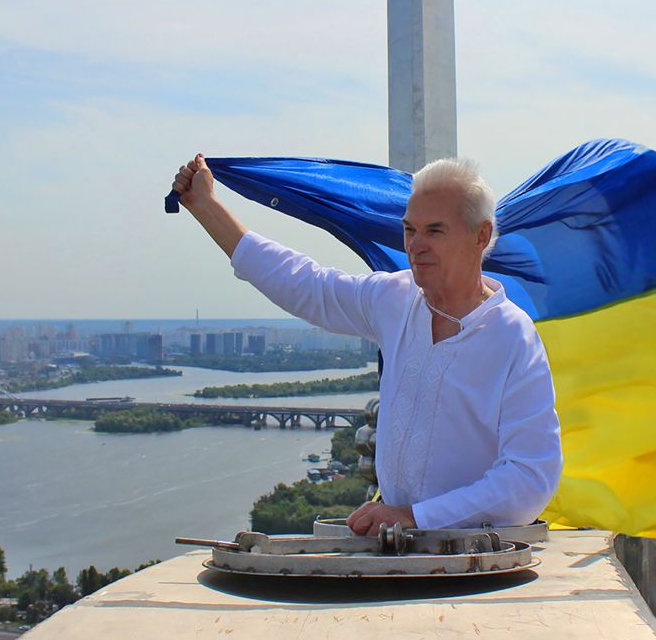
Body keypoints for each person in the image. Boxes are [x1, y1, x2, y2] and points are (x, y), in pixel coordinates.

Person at [171, 153, 563, 536]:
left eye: (434, 231)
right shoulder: (396, 299)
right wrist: (205, 206)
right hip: (396, 550)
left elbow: (530, 478)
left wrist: (417, 517)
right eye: (409, 230)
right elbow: (305, 284)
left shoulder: (512, 336)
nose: (415, 245)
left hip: (477, 561)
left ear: (481, 236)